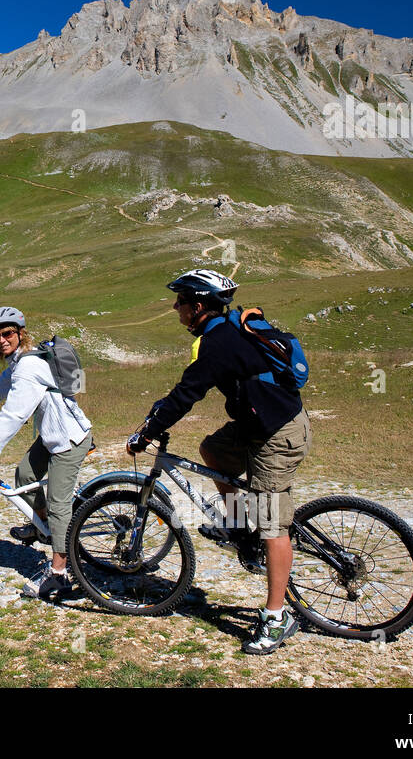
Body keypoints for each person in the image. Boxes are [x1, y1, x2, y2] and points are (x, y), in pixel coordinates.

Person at [128, 269, 312, 655]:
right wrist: (156, 415)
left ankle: (277, 617)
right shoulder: (222, 331)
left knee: (271, 523)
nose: (175, 307)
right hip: (257, 424)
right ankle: (235, 525)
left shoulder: (218, 341)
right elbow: (185, 389)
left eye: (180, 301)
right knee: (213, 450)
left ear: (198, 306)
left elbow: (187, 393)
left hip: (277, 433)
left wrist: (147, 433)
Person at [0, 306, 93, 600]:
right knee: (25, 474)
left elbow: (14, 412)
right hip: (52, 434)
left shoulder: (28, 367)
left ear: (20, 333)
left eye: (7, 333)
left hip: (68, 439)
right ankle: (46, 528)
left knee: (59, 503)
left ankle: (59, 575)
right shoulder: (20, 361)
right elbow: (0, 386)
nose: (1, 340)